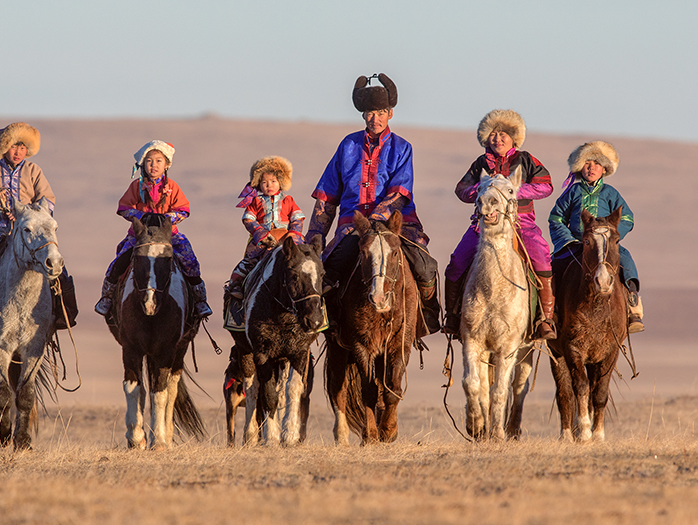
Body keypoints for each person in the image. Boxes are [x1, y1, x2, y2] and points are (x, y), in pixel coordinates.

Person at [305, 73, 441, 335]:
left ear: (390, 113)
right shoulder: (348, 145)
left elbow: (400, 192)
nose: (374, 118)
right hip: (352, 227)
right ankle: (331, 327)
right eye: (369, 112)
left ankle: (427, 316)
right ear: (363, 115)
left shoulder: (402, 147)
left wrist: (377, 220)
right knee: (328, 273)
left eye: (380, 112)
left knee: (425, 267)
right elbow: (327, 195)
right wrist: (315, 236)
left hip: (394, 225)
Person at [443, 109, 556, 340]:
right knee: (456, 262)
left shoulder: (526, 159)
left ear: (514, 138)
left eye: (503, 134)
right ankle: (453, 317)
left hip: (520, 222)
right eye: (493, 134)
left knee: (542, 257)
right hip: (483, 223)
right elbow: (461, 190)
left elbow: (546, 186)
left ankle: (545, 319)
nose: (498, 139)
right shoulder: (481, 163)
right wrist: (482, 189)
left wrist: (512, 190)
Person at [0, 122, 78, 337]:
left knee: (56, 268)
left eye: (23, 147)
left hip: (29, 235)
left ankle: (66, 312)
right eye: (14, 147)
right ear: (4, 147)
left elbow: (48, 201)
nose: (18, 152)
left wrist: (32, 212)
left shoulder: (34, 170)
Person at [94, 140, 212, 319]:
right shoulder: (136, 186)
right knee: (118, 262)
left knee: (189, 260)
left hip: (169, 236)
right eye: (149, 160)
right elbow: (124, 208)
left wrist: (168, 218)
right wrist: (140, 216)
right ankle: (107, 298)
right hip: (140, 237)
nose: (153, 165)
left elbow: (184, 210)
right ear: (143, 163)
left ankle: (199, 300)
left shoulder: (172, 187)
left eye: (158, 161)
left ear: (166, 164)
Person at [549, 141, 643, 333]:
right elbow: (556, 218)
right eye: (587, 164)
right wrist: (567, 240)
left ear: (604, 169)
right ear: (579, 168)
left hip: (606, 244)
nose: (592, 168)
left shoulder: (610, 193)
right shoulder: (572, 192)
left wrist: (612, 238)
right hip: (576, 244)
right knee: (553, 266)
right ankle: (552, 311)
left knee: (626, 260)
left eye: (597, 164)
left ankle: (633, 307)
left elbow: (627, 217)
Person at [226, 155, 305, 299]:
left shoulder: (288, 200)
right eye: (264, 182)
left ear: (281, 182)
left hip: (285, 239)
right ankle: (235, 285)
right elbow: (248, 218)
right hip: (263, 240)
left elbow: (297, 217)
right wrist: (260, 233)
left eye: (273, 181)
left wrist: (293, 234)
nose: (269, 185)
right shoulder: (256, 201)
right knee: (248, 262)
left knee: (304, 261)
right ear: (258, 184)